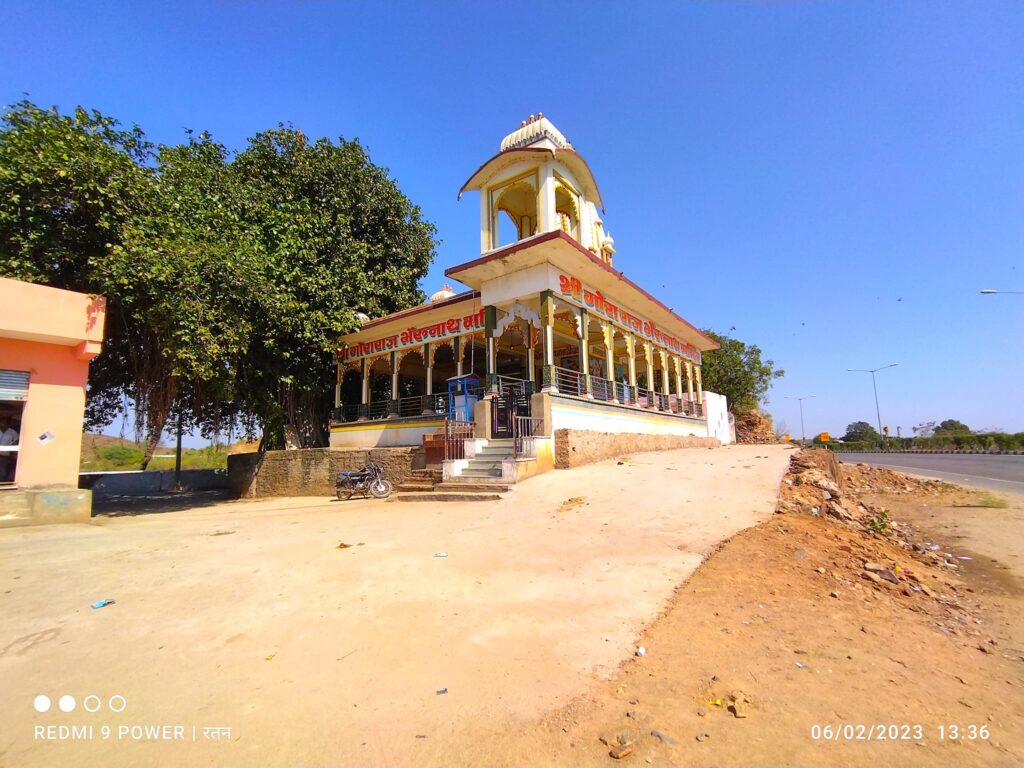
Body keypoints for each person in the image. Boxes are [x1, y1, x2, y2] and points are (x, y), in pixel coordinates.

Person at [0, 416, 19, 483]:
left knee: (2, 470)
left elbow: (16, 441)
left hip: (5, 454)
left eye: (5, 423)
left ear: (8, 424)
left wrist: (12, 445)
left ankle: (1, 482)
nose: (3, 424)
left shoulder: (12, 432)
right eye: (2, 422)